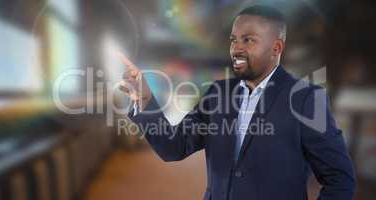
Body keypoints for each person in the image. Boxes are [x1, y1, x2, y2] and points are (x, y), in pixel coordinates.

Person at [119, 5, 356, 200]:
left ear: (276, 47)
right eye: (234, 40)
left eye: (248, 40)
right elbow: (174, 147)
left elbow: (339, 179)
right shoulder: (217, 95)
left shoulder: (305, 99)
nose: (236, 48)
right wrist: (146, 99)